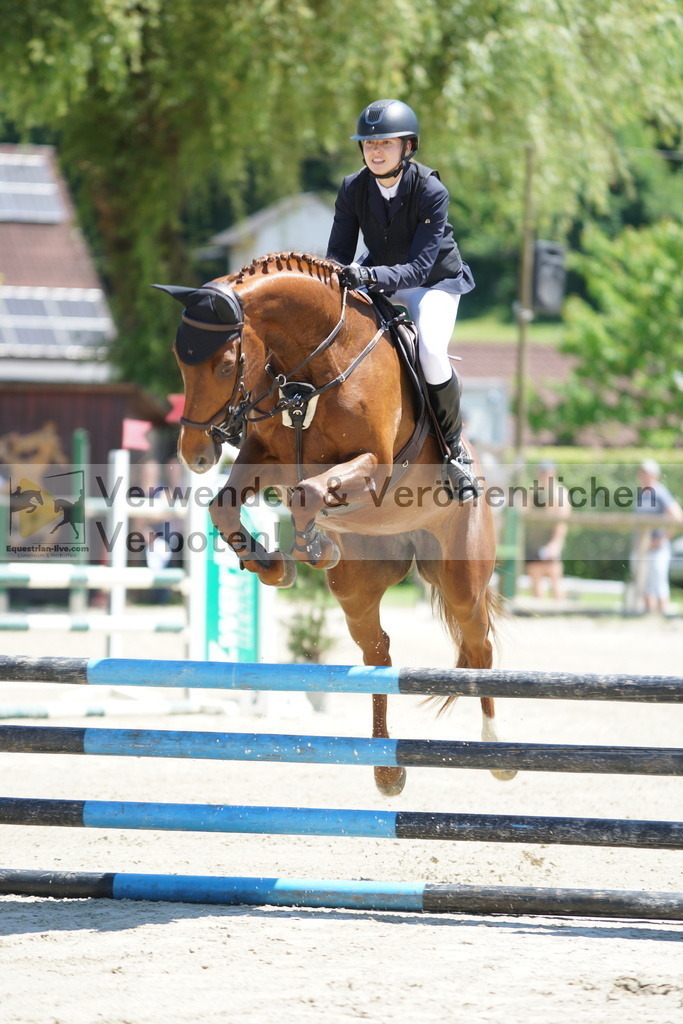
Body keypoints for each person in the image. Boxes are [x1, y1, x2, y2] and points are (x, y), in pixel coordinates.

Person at [326, 98, 480, 502]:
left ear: (407, 147)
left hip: (434, 283)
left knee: (430, 351)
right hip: (379, 277)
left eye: (386, 143)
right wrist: (336, 278)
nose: (375, 151)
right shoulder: (353, 188)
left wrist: (369, 276)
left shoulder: (431, 190)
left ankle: (455, 450)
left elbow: (418, 268)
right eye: (369, 144)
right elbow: (338, 253)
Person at [631, 458, 683, 615]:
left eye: (647, 473)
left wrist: (662, 539)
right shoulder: (642, 493)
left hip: (657, 547)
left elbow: (677, 517)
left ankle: (663, 615)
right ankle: (648, 615)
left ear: (655, 475)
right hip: (643, 547)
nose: (643, 476)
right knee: (645, 584)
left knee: (658, 583)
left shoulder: (659, 493)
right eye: (642, 473)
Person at [524, 462, 570, 600]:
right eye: (541, 472)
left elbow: (562, 521)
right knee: (535, 578)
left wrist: (556, 543)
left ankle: (560, 609)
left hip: (551, 541)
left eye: (546, 472)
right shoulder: (533, 491)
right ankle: (538, 610)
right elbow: (525, 512)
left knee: (554, 577)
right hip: (534, 543)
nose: (543, 475)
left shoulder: (560, 492)